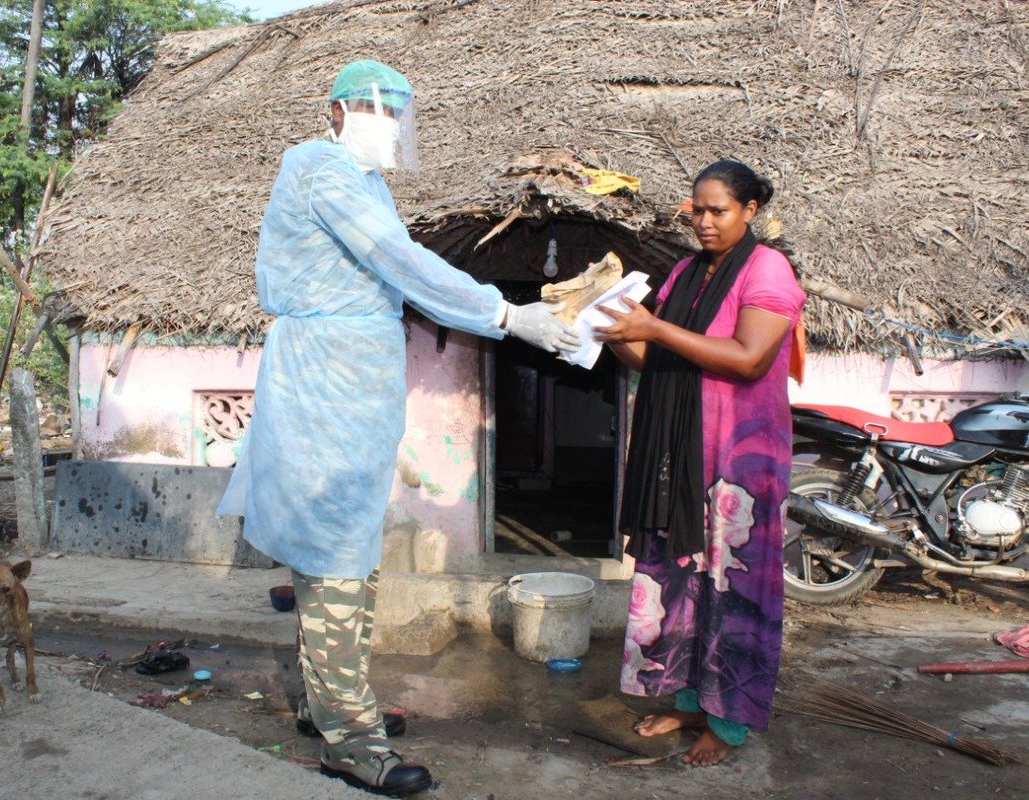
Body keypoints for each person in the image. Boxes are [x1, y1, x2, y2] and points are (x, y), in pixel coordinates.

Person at [217, 59, 578, 796]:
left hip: (353, 383)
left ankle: (333, 706)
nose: (390, 125)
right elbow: (398, 260)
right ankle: (350, 740)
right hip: (324, 384)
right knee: (334, 561)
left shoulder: (365, 181)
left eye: (400, 113)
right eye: (377, 109)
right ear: (337, 110)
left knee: (350, 553)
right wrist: (505, 315)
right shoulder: (319, 168)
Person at [594, 160, 805, 766]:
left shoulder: (768, 270)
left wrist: (654, 327)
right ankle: (688, 699)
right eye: (697, 209)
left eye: (719, 211)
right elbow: (652, 359)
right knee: (681, 578)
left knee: (730, 585)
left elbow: (746, 357)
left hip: (739, 461)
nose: (705, 222)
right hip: (680, 456)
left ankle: (728, 721)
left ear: (749, 211)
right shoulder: (685, 272)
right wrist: (607, 330)